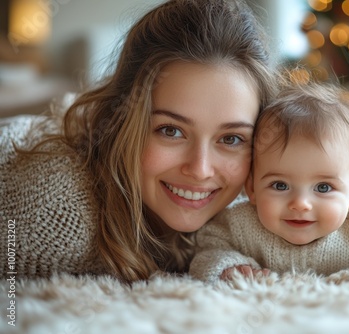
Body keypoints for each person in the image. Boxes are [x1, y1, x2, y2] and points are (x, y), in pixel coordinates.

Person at [0, 0, 278, 283]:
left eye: (231, 138)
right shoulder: (53, 213)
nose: (200, 169)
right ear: (121, 121)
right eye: (171, 130)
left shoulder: (263, 197)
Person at [189, 80, 349, 285]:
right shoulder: (240, 224)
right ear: (252, 188)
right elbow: (207, 249)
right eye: (280, 185)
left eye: (323, 188)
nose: (300, 204)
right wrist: (229, 265)